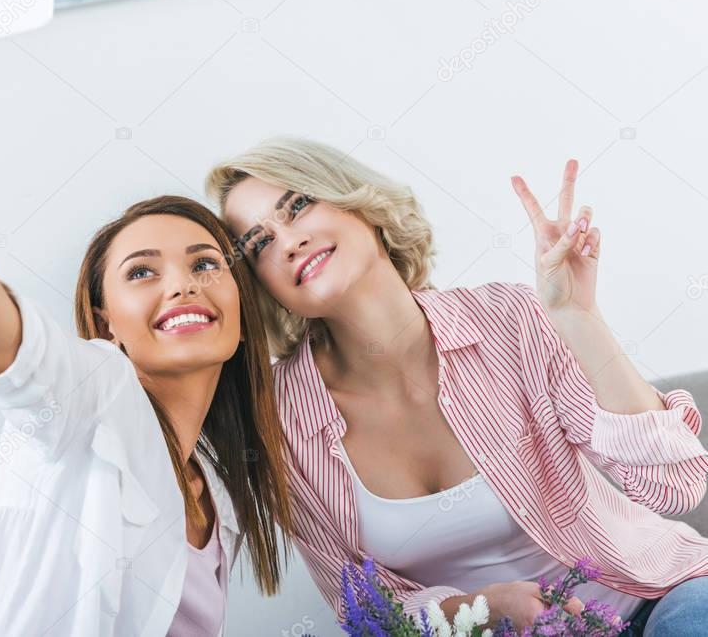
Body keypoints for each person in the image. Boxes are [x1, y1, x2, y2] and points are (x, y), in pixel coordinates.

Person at [0, 0, 292, 636]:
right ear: (105, 322)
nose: (182, 285)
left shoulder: (213, 492)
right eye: (141, 272)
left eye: (205, 263)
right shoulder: (91, 398)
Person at [206, 136, 708, 635]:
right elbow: (362, 605)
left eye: (297, 205)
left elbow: (675, 485)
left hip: (660, 598)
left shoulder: (507, 319)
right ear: (262, 285)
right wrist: (480, 607)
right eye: (259, 243)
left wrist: (580, 319)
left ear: (358, 202)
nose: (288, 240)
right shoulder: (281, 421)